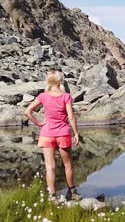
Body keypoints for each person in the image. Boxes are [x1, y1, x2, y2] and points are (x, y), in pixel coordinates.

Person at [24, 69, 82, 202]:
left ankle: (52, 197)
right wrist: (76, 133)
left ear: (49, 81)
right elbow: (71, 117)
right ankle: (72, 192)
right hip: (63, 133)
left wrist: (38, 123)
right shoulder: (66, 96)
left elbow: (27, 112)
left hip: (46, 134)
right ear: (60, 81)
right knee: (67, 165)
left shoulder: (43, 96)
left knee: (50, 167)